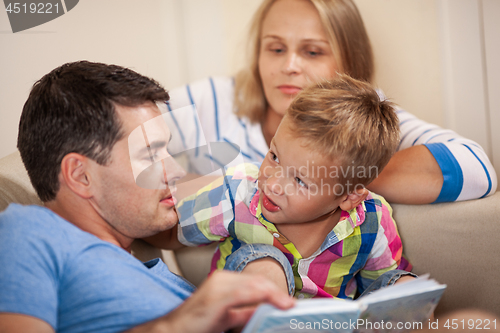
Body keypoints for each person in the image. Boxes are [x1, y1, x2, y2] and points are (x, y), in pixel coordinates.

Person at [0, 61, 294, 333]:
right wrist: (175, 325)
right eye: (151, 155)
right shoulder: (26, 233)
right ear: (81, 175)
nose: (177, 171)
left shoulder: (141, 264)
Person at [164, 0, 497, 204]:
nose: (289, 65)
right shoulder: (217, 99)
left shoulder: (371, 121)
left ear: (348, 64)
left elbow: (476, 168)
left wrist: (334, 174)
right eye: (276, 48)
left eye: (313, 51)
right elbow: (125, 140)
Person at [173, 75, 415, 299]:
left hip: (328, 325)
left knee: (402, 286)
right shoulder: (238, 194)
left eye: (299, 181)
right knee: (266, 265)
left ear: (349, 196)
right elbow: (172, 230)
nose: (273, 183)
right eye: (275, 157)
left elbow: (377, 289)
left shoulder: (372, 219)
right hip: (244, 319)